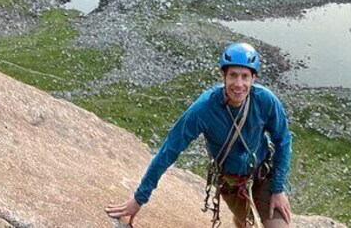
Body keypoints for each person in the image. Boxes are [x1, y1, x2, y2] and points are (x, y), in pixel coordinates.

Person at [105, 42, 292, 227]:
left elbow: (283, 141)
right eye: (233, 75)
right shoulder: (204, 109)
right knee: (246, 223)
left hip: (263, 177)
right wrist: (139, 199)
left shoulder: (265, 101)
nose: (238, 84)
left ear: (253, 78)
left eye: (245, 76)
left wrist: (278, 189)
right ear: (223, 76)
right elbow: (169, 150)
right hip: (232, 186)